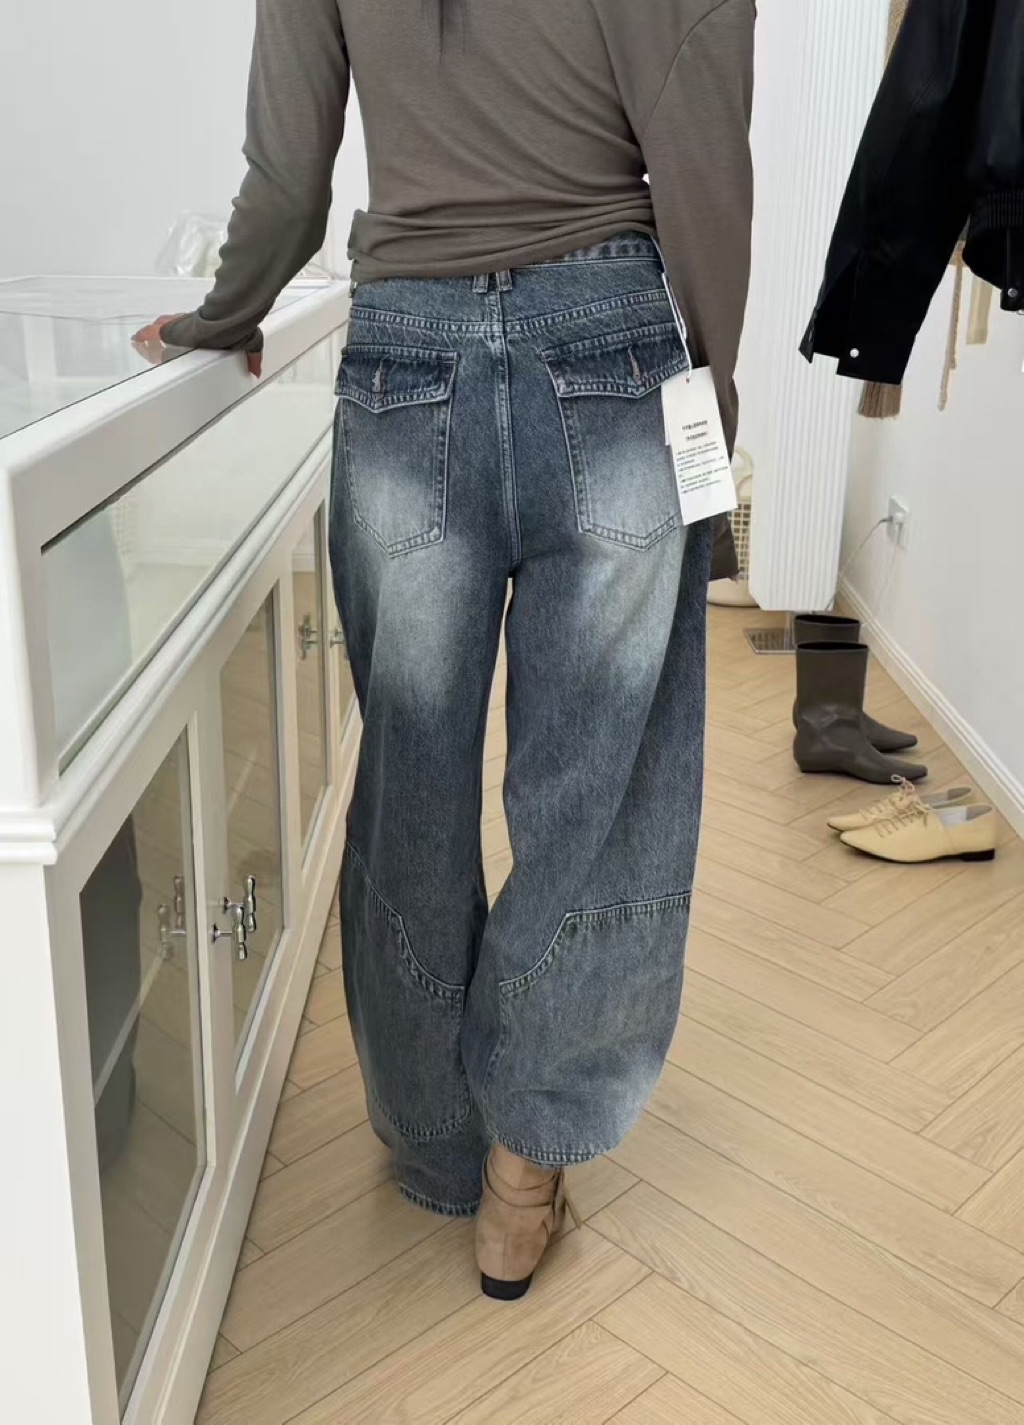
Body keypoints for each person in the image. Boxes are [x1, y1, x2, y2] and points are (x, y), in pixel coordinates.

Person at [135, 0, 755, 1300]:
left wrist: (225, 313)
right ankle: (525, 1172)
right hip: (612, 348)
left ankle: (437, 1142)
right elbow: (699, 137)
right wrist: (712, 386)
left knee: (409, 785)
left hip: (405, 366)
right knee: (599, 786)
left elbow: (288, 174)